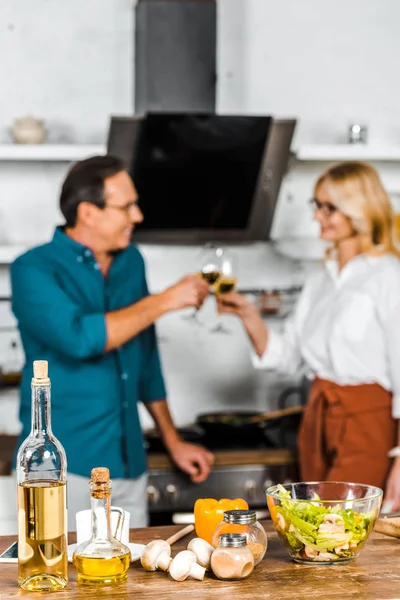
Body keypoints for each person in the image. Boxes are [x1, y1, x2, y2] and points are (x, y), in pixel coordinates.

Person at [11, 155, 214, 529]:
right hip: (60, 470)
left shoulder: (130, 262)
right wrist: (166, 299)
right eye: (127, 206)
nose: (137, 216)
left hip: (128, 465)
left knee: (131, 582)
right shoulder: (33, 269)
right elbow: (80, 338)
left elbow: (146, 359)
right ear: (88, 212)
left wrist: (172, 440)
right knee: (64, 582)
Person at [217, 160, 400, 511]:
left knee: (341, 525)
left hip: (367, 423)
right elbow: (287, 357)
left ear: (360, 210)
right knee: (315, 522)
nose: (318, 216)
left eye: (329, 207)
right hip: (318, 419)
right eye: (316, 205)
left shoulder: (387, 276)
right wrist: (248, 314)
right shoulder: (320, 280)